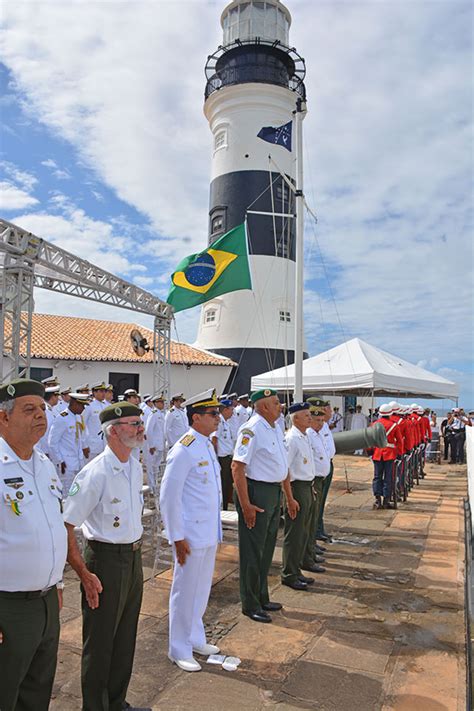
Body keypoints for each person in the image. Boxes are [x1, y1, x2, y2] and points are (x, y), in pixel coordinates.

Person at [63, 402, 150, 711]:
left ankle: (116, 702)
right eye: (133, 423)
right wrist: (83, 574)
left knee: (125, 639)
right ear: (113, 431)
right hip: (105, 561)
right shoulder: (95, 473)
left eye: (140, 422)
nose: (141, 428)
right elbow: (67, 524)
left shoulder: (134, 465)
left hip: (133, 558)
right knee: (100, 644)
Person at [0, 378, 67, 711]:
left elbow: (51, 526)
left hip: (46, 603)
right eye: (29, 409)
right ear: (3, 418)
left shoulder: (43, 465)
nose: (41, 415)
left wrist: (56, 581)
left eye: (42, 408)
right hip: (8, 608)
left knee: (37, 692)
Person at [160, 389, 223, 672]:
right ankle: (179, 648)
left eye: (218, 413)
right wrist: (176, 536)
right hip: (190, 535)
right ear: (196, 417)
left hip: (207, 532)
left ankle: (195, 638)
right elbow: (168, 496)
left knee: (200, 591)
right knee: (184, 592)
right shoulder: (183, 448)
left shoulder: (207, 444)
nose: (218, 418)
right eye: (213, 414)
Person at [231, 389, 298, 623]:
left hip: (272, 492)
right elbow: (237, 467)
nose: (280, 406)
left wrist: (288, 497)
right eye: (276, 403)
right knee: (252, 551)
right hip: (256, 492)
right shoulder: (252, 429)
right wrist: (245, 504)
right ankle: (250, 603)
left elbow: (282, 466)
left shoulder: (276, 427)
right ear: (263, 407)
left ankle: (261, 595)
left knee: (267, 548)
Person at [281, 403, 320, 591]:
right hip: (296, 488)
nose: (310, 418)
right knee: (294, 534)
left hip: (306, 487)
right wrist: (289, 498)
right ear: (295, 418)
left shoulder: (303, 436)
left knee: (303, 532)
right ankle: (289, 573)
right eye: (306, 416)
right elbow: (285, 471)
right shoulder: (291, 439)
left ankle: (296, 570)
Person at [304, 407, 331, 568]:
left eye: (322, 420)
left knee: (314, 517)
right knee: (308, 520)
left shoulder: (317, 434)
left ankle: (311, 548)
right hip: (312, 480)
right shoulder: (308, 435)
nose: (321, 424)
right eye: (318, 420)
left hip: (320, 478)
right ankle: (307, 554)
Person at [48, 392, 91, 492]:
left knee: (77, 491)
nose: (84, 409)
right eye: (82, 405)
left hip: (78, 461)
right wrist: (59, 461)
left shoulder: (78, 417)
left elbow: (79, 438)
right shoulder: (62, 418)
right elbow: (52, 442)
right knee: (66, 492)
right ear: (75, 404)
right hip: (66, 463)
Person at [307, 398, 335, 542]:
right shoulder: (311, 429)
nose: (328, 411)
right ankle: (315, 533)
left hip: (326, 466)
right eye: (326, 408)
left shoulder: (323, 426)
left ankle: (319, 530)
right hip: (316, 472)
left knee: (320, 503)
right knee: (315, 506)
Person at [371, 404, 402, 509]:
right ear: (390, 413)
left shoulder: (374, 424)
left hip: (377, 454)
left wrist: (370, 451)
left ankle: (377, 499)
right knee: (388, 478)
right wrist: (399, 453)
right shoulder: (394, 425)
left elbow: (370, 440)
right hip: (390, 454)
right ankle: (386, 500)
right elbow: (399, 441)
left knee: (377, 477)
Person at [211, 398, 235, 510]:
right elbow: (214, 439)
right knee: (223, 485)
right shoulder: (219, 421)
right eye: (231, 409)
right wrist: (215, 458)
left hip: (228, 457)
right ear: (225, 410)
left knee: (228, 484)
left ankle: (225, 506)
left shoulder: (226, 422)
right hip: (222, 458)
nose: (232, 412)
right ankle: (222, 508)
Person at [144, 393, 166, 494]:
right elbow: (148, 430)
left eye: (163, 402)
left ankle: (155, 487)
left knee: (156, 468)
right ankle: (151, 488)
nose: (163, 404)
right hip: (154, 446)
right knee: (151, 467)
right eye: (161, 402)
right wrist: (151, 445)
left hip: (160, 445)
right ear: (155, 403)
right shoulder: (153, 413)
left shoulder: (161, 414)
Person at [83, 382, 107, 461]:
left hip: (105, 444)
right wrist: (84, 445)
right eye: (100, 391)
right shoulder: (89, 406)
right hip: (92, 444)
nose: (103, 393)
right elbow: (83, 425)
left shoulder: (106, 406)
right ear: (94, 392)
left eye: (104, 391)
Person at [37, 385, 60, 458]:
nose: (58, 399)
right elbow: (45, 433)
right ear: (53, 397)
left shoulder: (53, 410)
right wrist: (46, 451)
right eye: (57, 396)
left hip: (52, 450)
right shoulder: (46, 411)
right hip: (45, 451)